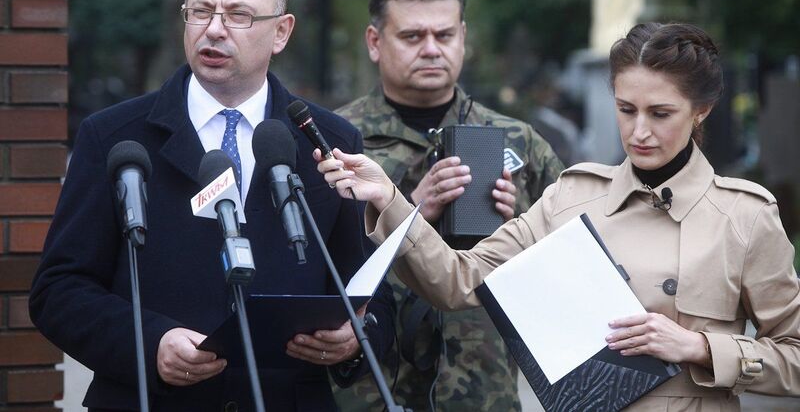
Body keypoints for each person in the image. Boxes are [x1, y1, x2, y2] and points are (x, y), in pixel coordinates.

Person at [320, 22, 800, 410]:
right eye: (626, 109)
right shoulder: (572, 197)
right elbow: (458, 280)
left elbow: (794, 358)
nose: (639, 131)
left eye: (660, 113)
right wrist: (387, 197)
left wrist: (700, 348)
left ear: (702, 111)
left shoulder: (744, 215)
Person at [29, 0, 395, 412]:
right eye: (200, 11)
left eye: (238, 15)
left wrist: (354, 340)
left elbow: (372, 295)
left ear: (281, 31)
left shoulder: (328, 141)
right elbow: (57, 291)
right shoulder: (113, 137)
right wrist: (150, 344)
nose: (214, 29)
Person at [334, 0, 564, 411]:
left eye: (444, 35)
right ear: (375, 42)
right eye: (413, 37)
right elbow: (311, 268)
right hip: (371, 390)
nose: (432, 50)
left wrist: (519, 227)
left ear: (463, 37)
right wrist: (406, 211)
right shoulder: (337, 141)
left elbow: (572, 266)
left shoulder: (519, 142)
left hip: (484, 392)